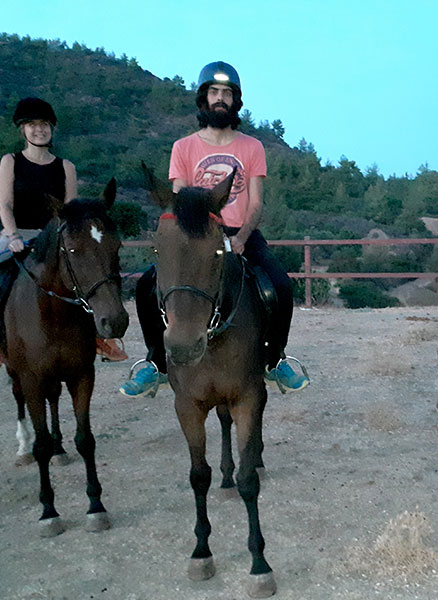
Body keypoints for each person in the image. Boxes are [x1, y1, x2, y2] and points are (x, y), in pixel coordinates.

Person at [119, 61, 310, 397]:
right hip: (198, 234)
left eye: (227, 93)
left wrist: (240, 238)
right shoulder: (184, 147)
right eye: (214, 92)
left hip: (240, 233)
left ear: (235, 101)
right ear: (203, 99)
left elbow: (255, 203)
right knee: (148, 286)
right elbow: (177, 201)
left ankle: (275, 360)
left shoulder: (252, 147)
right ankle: (156, 363)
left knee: (279, 284)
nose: (220, 98)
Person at [0, 97, 127, 374]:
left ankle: (101, 338)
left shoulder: (66, 167)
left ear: (52, 128)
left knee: (86, 273)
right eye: (32, 125)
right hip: (17, 234)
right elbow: (5, 204)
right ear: (22, 130)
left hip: (55, 238)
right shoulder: (10, 162)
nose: (39, 130)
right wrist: (12, 236)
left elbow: (72, 213)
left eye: (44, 124)